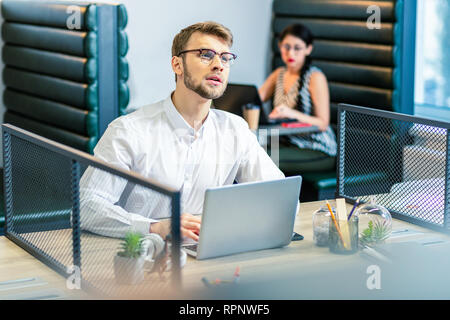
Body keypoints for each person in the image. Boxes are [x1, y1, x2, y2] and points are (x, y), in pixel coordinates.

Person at [80, 21, 284, 241]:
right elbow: (86, 208)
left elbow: (278, 195)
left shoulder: (236, 129)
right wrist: (154, 227)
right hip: (142, 258)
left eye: (225, 58)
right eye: (206, 54)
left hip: (209, 255)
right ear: (177, 65)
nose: (219, 65)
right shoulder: (128, 131)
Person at [258, 24, 337, 173]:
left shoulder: (315, 77)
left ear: (308, 49)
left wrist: (291, 113)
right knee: (247, 156)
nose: (291, 53)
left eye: (297, 48)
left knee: (265, 161)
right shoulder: (278, 74)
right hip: (287, 144)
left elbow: (322, 123)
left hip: (317, 148)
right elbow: (253, 101)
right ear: (279, 46)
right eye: (286, 47)